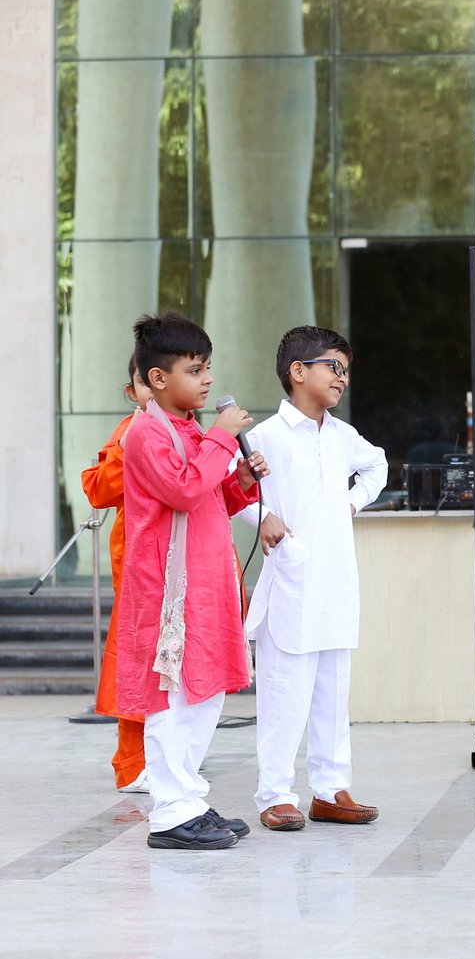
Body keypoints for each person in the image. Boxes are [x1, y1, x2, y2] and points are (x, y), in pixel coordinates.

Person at [115, 312, 268, 849]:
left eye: (208, 368)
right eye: (195, 369)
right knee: (172, 699)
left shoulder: (191, 430)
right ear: (158, 379)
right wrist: (225, 442)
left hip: (205, 581)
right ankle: (170, 814)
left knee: (204, 695)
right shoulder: (146, 434)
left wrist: (241, 480)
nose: (207, 380)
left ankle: (190, 800)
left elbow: (204, 497)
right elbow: (181, 490)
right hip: (168, 591)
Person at [240, 327, 388, 832]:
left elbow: (378, 466)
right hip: (291, 580)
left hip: (336, 582)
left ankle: (329, 789)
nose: (342, 378)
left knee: (332, 691)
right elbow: (232, 488)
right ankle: (276, 794)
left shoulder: (343, 436)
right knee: (285, 692)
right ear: (297, 371)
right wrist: (261, 518)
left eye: (346, 370)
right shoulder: (264, 437)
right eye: (333, 367)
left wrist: (351, 501)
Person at [78, 357, 153, 793]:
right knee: (137, 659)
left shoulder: (190, 431)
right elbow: (99, 489)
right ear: (134, 391)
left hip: (178, 563)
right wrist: (132, 445)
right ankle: (131, 763)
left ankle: (163, 757)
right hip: (139, 565)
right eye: (145, 384)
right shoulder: (129, 431)